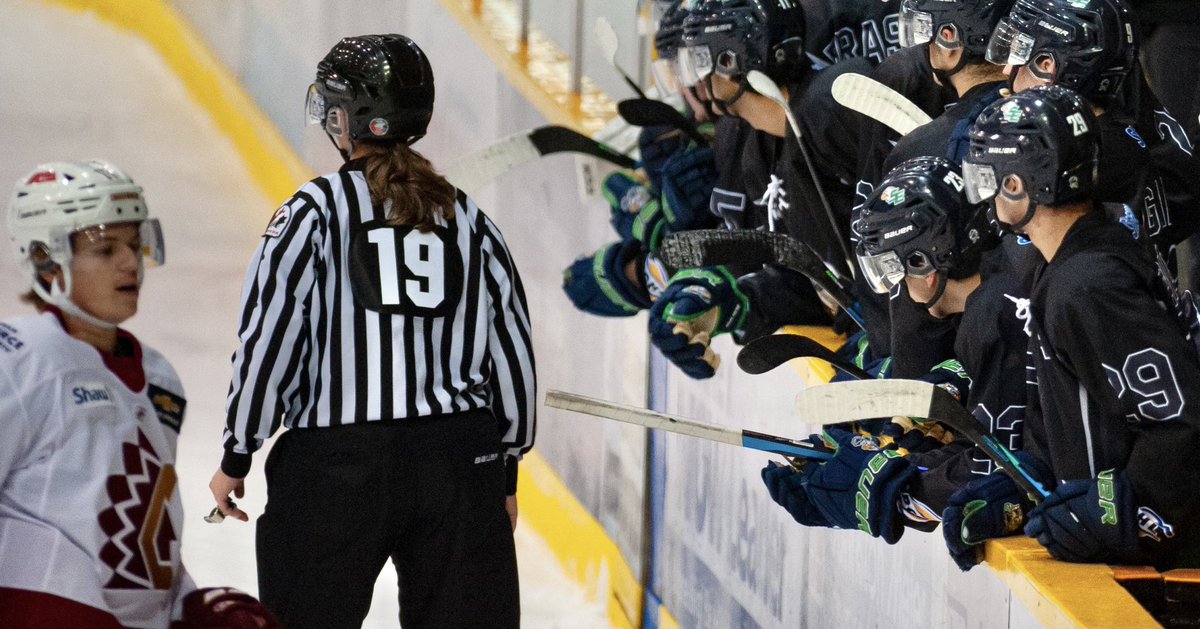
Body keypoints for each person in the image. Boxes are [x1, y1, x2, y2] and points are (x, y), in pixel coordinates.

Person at [208, 34, 536, 628]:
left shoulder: (311, 212)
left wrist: (239, 449)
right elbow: (512, 351)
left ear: (347, 118)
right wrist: (505, 467)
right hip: (458, 464)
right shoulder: (469, 220)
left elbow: (269, 339)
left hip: (335, 467)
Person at [0, 160, 276, 628]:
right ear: (46, 259)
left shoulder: (159, 377)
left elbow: (144, 522)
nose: (131, 262)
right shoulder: (18, 360)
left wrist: (187, 603)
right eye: (106, 250)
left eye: (133, 244)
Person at [956, 85, 1200, 568]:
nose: (980, 193)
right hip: (1125, 548)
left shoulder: (1086, 285)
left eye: (989, 176)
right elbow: (1075, 403)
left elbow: (1182, 419)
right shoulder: (1067, 261)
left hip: (1164, 564)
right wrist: (1026, 480)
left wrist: (1119, 508)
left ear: (1020, 185)